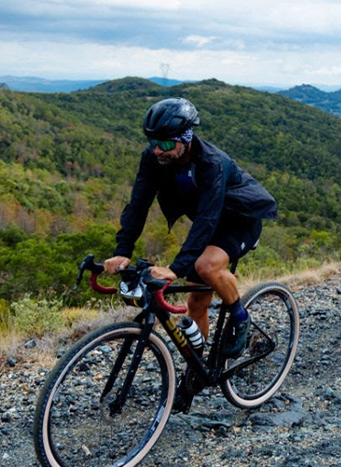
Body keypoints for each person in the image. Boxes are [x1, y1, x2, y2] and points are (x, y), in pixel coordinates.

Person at [103, 98, 278, 406]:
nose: (157, 150)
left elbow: (209, 217)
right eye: (152, 142)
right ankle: (196, 370)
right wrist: (122, 250)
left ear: (185, 139)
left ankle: (240, 317)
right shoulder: (153, 159)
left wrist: (176, 268)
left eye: (164, 143)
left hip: (240, 221)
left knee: (206, 266)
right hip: (209, 224)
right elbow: (138, 204)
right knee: (196, 301)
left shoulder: (211, 163)